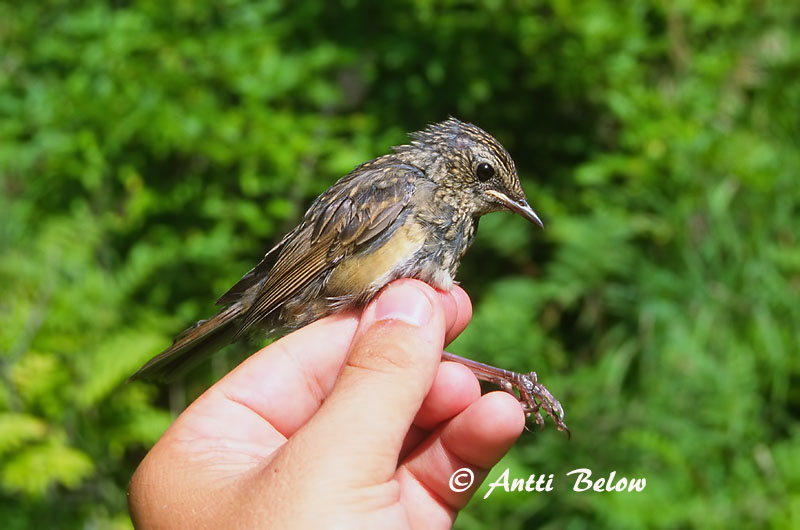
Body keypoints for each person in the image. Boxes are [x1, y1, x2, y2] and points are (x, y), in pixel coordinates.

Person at [128, 279, 525, 528]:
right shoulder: (403, 190)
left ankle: (508, 379)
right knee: (406, 339)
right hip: (314, 286)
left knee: (418, 345)